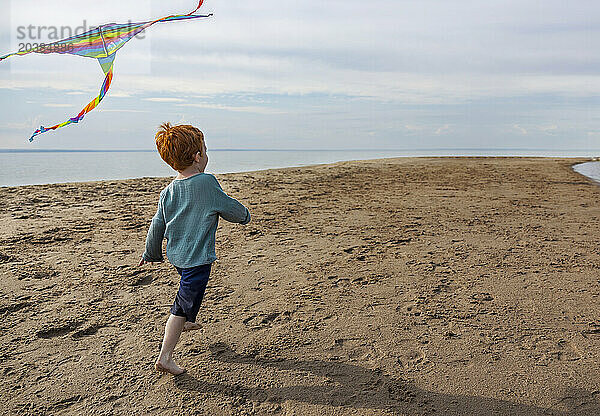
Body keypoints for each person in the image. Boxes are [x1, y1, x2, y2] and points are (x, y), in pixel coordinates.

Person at [139, 122, 251, 375]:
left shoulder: (168, 190)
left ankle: (188, 319)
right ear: (198, 157)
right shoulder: (206, 183)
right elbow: (228, 207)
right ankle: (165, 356)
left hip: (177, 256)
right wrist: (244, 215)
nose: (207, 153)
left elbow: (158, 223)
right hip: (196, 259)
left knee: (190, 292)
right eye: (205, 149)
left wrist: (151, 252)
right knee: (181, 304)